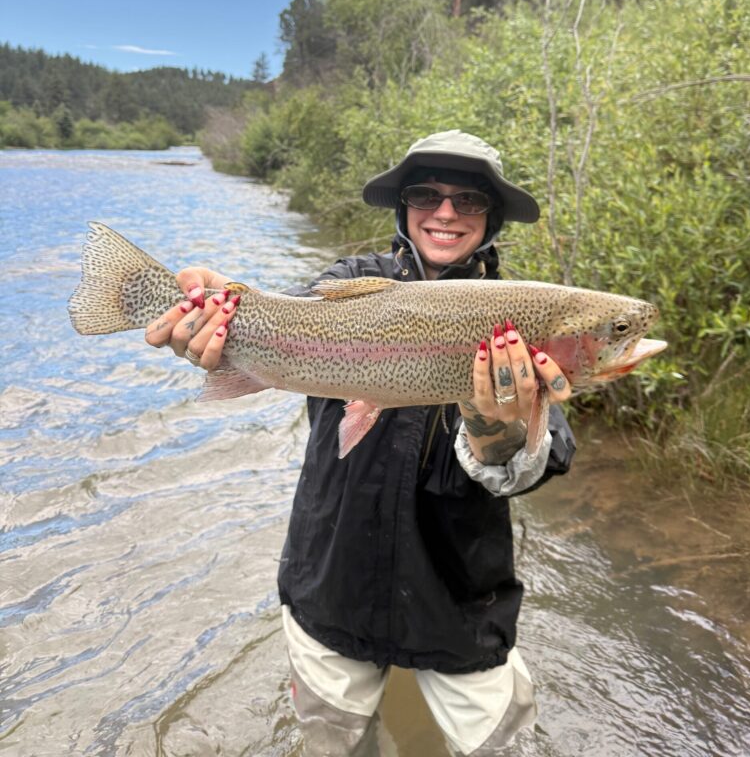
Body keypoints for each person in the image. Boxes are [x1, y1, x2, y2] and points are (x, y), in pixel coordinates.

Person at [145, 130, 576, 756]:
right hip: (331, 586)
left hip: (459, 603)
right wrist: (215, 319)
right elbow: (277, 322)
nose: (446, 211)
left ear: (493, 217)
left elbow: (542, 460)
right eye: (426, 193)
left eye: (470, 200)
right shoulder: (350, 281)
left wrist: (498, 428)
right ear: (403, 206)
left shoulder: (523, 317)